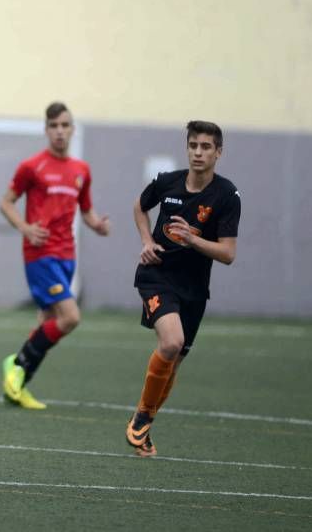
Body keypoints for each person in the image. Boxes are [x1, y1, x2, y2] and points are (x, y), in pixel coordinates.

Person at [125, 120, 240, 457]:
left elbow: (228, 254)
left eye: (206, 147)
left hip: (194, 288)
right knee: (171, 342)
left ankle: (145, 429)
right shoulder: (167, 182)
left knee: (175, 362)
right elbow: (139, 207)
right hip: (156, 275)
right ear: (187, 148)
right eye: (193, 146)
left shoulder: (226, 195)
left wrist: (193, 238)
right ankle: (141, 417)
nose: (198, 152)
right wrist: (146, 240)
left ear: (218, 152)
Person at [0, 102, 110, 409]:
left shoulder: (81, 170)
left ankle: (17, 386)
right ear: (46, 130)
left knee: (47, 321)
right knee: (70, 317)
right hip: (40, 253)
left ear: (72, 129)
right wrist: (25, 228)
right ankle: (17, 364)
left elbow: (85, 210)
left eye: (65, 125)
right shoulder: (32, 167)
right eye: (54, 126)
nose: (60, 131)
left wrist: (97, 224)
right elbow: (6, 203)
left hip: (67, 255)